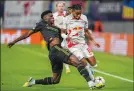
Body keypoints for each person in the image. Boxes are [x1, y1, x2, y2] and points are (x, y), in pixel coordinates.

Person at [7, 10, 102, 89]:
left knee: (55, 80)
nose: (53, 18)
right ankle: (91, 83)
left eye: (53, 16)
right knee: (79, 62)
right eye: (50, 16)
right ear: (45, 18)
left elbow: (66, 37)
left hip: (56, 52)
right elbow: (27, 34)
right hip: (55, 49)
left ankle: (33, 81)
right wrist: (14, 41)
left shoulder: (57, 28)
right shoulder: (41, 24)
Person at [61, 4, 101, 83]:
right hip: (72, 45)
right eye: (77, 13)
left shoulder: (84, 18)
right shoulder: (66, 19)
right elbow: (62, 32)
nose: (78, 15)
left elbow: (86, 31)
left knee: (93, 63)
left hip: (83, 44)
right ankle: (93, 81)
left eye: (80, 13)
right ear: (72, 12)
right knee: (84, 62)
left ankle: (89, 68)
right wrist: (66, 37)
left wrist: (93, 41)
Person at [53, 1, 71, 74]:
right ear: (56, 7)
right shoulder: (53, 15)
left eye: (62, 6)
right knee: (62, 51)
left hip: (67, 34)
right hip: (58, 35)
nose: (61, 7)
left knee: (71, 50)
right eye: (59, 6)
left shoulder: (67, 14)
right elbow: (53, 25)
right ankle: (67, 68)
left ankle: (86, 65)